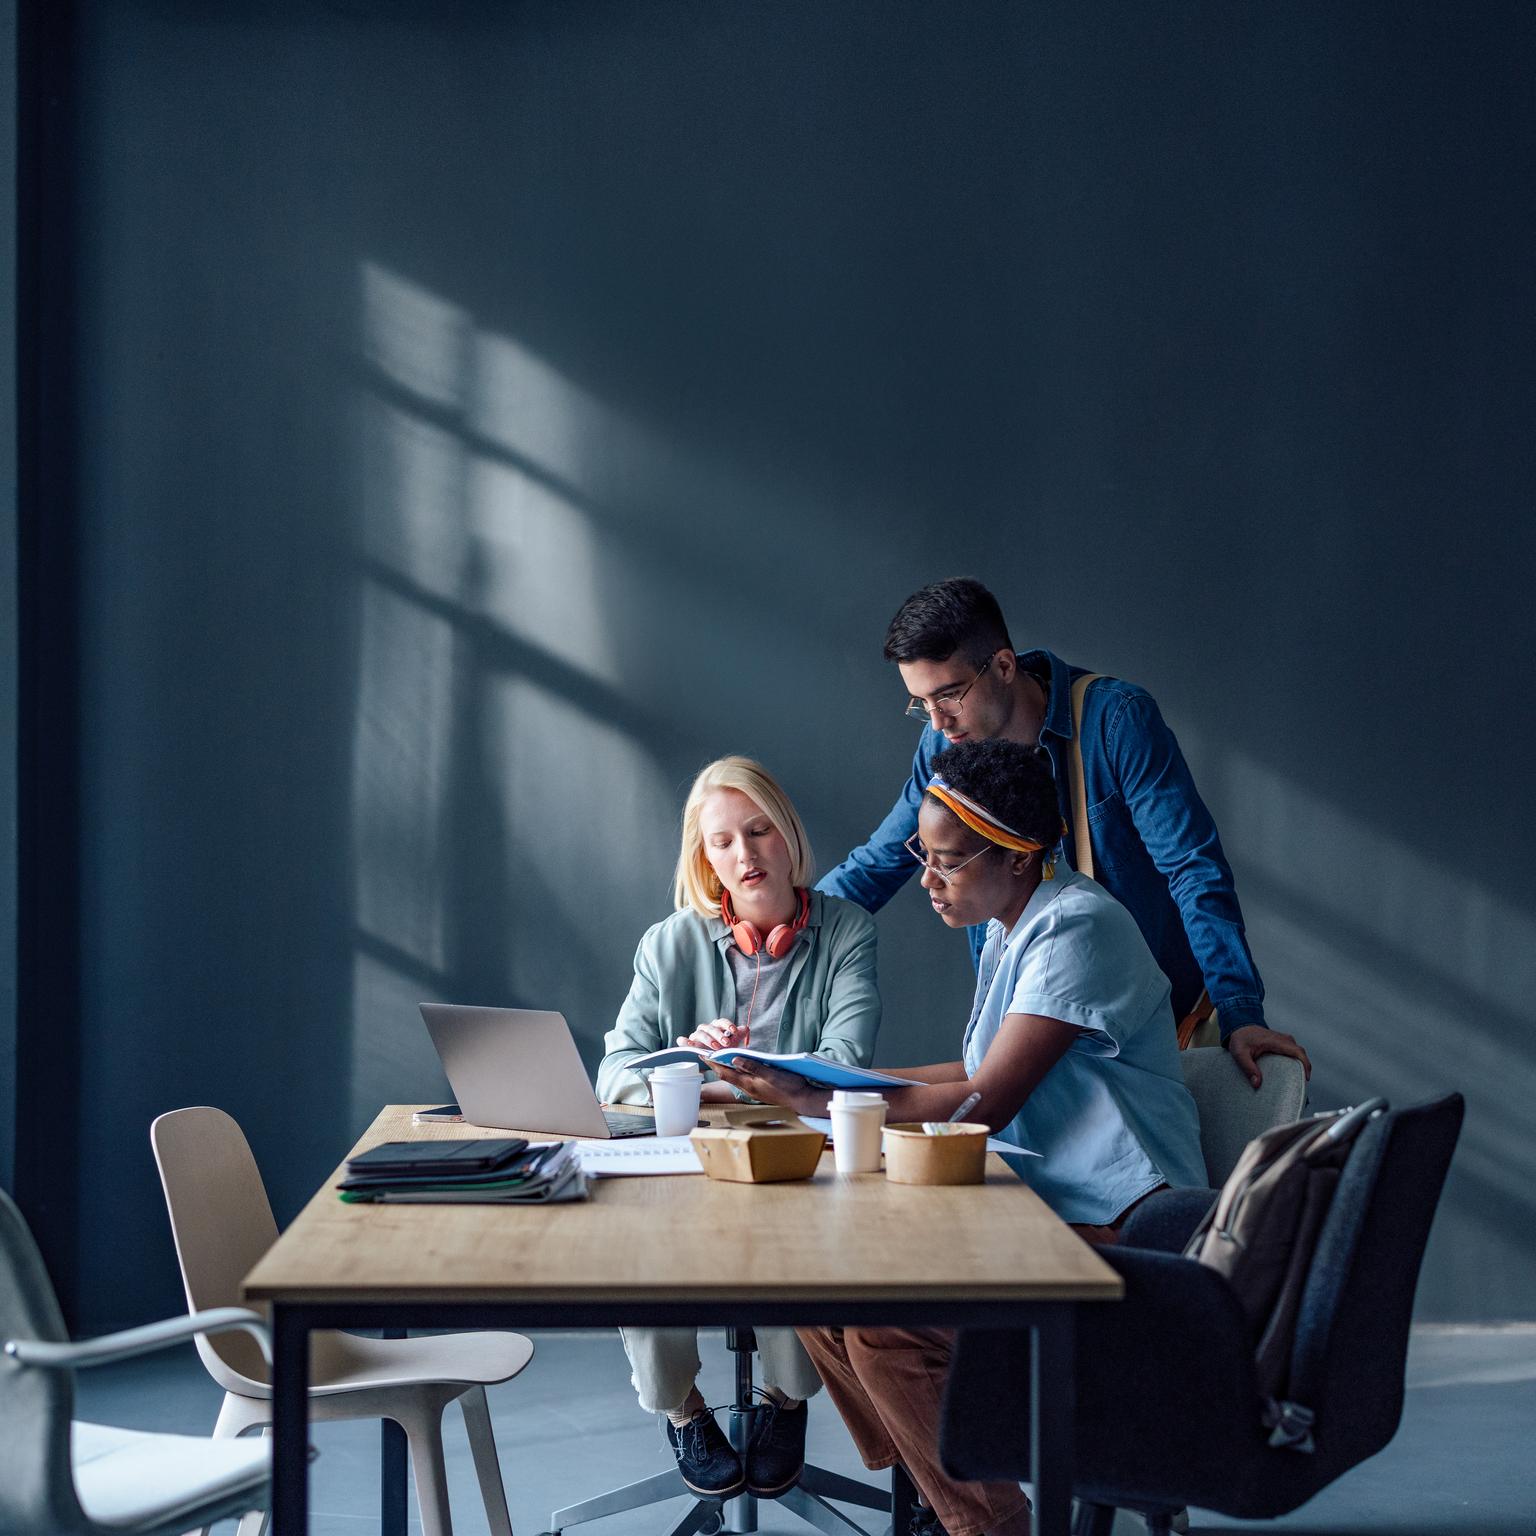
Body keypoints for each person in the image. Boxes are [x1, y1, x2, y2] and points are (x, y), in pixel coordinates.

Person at [719, 738, 1207, 1536]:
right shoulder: (1018, 923)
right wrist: (820, 1082)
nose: (926, 879)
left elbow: (985, 1102)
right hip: (1042, 1215)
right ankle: (941, 1496)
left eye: (948, 861)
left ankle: (985, 1524)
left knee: (886, 1325)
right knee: (821, 1292)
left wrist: (820, 1096)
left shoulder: (1076, 928)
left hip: (1125, 1235)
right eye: (923, 853)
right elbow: (979, 1063)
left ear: (1019, 857)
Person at [818, 576, 1310, 1089]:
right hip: (1031, 1034)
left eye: (949, 695)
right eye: (921, 703)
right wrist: (779, 930)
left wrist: (1240, 1011)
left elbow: (1192, 867)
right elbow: (879, 862)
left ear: (1004, 666)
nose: (938, 722)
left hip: (1146, 1036)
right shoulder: (943, 741)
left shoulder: (1115, 722)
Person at [597, 756, 881, 1501]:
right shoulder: (668, 943)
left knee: (806, 1221)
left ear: (788, 834)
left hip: (798, 1161)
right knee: (640, 1231)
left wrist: (738, 1074)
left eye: (758, 832)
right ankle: (684, 1411)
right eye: (723, 842)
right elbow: (614, 1071)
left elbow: (846, 1060)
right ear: (705, 857)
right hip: (688, 1161)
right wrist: (686, 1066)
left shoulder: (848, 930)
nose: (745, 855)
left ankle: (786, 1402)